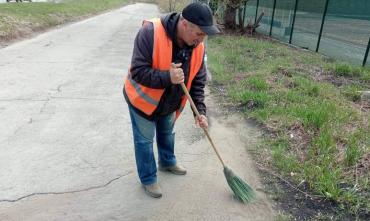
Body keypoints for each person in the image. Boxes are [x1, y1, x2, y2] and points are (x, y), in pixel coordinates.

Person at [123, 2, 220, 198]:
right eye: (199, 34)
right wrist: (167, 77)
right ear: (185, 24)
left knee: (167, 132)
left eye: (205, 35)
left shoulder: (198, 47)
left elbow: (197, 83)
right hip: (143, 102)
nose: (202, 40)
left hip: (170, 102)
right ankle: (148, 178)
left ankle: (167, 161)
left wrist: (199, 112)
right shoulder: (150, 32)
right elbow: (138, 71)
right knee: (144, 141)